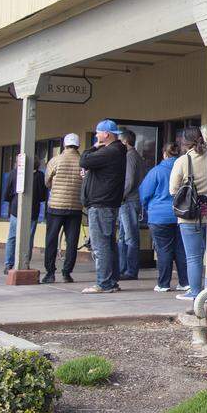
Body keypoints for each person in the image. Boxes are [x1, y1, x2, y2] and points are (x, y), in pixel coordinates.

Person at [79, 120, 128, 294]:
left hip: (101, 204)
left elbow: (84, 160)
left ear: (106, 134)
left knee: (101, 245)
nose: (97, 135)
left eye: (98, 132)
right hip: (107, 203)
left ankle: (104, 283)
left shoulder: (110, 152)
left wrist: (94, 147)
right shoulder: (116, 151)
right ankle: (111, 281)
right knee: (108, 243)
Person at [141, 143, 188, 293]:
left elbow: (145, 193)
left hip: (159, 217)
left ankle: (163, 284)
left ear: (164, 154)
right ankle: (185, 282)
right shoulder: (185, 170)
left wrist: (148, 207)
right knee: (182, 250)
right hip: (182, 215)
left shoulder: (156, 172)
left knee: (164, 250)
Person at [169, 127, 207, 301]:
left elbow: (173, 189)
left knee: (193, 256)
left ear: (185, 142)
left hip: (189, 215)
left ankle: (195, 291)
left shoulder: (183, 161)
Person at [42, 134, 84, 283]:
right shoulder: (83, 162)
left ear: (65, 145)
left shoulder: (55, 160)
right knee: (71, 241)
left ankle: (50, 273)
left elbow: (47, 181)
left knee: (51, 240)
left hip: (56, 206)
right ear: (78, 145)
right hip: (75, 207)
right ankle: (67, 273)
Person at [2, 156, 48, 274]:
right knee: (29, 239)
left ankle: (8, 264)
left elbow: (6, 194)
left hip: (15, 210)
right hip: (33, 211)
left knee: (12, 237)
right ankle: (25, 262)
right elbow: (43, 197)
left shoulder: (14, 173)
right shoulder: (40, 176)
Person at [116, 129, 147, 280]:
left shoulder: (130, 157)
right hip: (130, 201)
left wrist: (118, 196)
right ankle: (123, 268)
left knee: (129, 237)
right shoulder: (136, 156)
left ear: (125, 142)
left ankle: (130, 270)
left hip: (128, 201)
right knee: (123, 236)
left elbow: (129, 181)